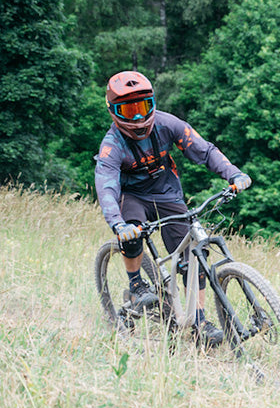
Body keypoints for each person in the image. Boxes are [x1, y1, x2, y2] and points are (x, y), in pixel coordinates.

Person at [94, 70, 251, 347]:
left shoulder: (169, 124)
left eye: (143, 107)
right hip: (131, 196)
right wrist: (119, 225)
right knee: (132, 232)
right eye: (128, 110)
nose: (138, 117)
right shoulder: (112, 145)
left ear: (153, 103)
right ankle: (136, 284)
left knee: (194, 254)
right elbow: (106, 185)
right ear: (113, 112)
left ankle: (200, 321)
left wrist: (233, 174)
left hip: (166, 193)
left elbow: (205, 151)